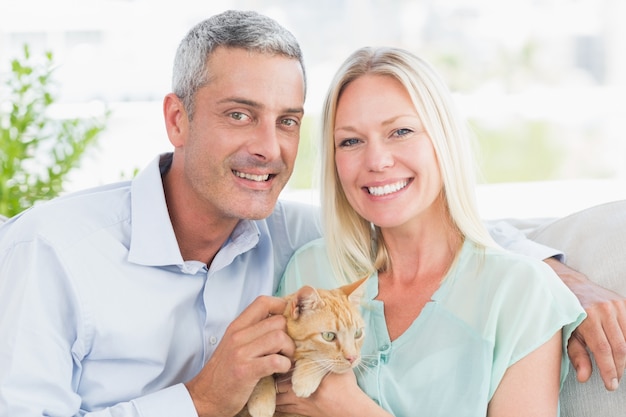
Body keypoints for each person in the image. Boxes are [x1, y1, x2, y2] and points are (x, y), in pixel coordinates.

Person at [0, 9, 622, 417]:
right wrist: (199, 401)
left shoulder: (288, 238)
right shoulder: (48, 254)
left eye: (288, 121)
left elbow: (430, 228)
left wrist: (559, 272)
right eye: (239, 114)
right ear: (176, 119)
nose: (268, 148)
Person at [275, 46, 587, 416]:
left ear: (443, 140)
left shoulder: (522, 293)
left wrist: (350, 408)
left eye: (401, 131)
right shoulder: (309, 271)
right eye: (351, 141)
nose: (376, 161)